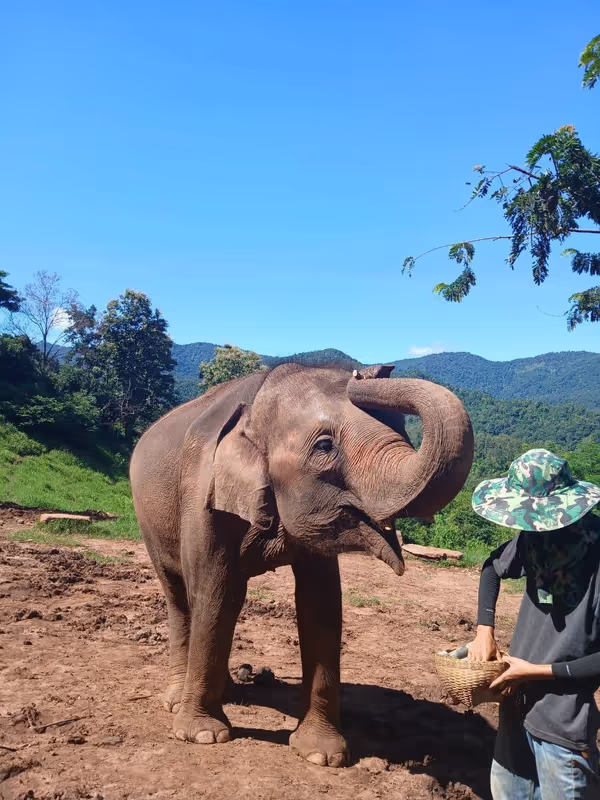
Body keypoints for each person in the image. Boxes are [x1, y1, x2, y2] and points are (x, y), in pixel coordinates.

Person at [469, 448, 600, 799]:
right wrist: (485, 629)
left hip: (562, 727)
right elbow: (492, 568)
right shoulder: (535, 541)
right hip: (515, 708)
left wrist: (535, 671)